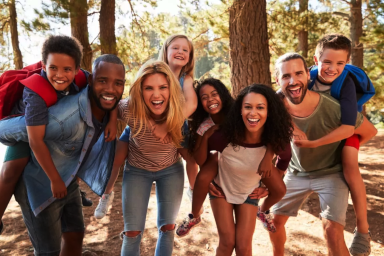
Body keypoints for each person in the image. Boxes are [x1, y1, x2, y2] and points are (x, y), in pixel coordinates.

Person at [0, 54, 125, 255]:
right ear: (92, 81)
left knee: (75, 236)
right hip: (40, 185)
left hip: (68, 182)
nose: (111, 88)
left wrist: (112, 118)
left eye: (118, 83)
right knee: (48, 251)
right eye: (103, 81)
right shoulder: (60, 119)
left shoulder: (95, 94)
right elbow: (15, 131)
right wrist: (33, 131)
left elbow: (111, 94)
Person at [270, 52, 377, 256]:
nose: (293, 81)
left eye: (298, 73)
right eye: (285, 76)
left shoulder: (334, 107)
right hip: (296, 172)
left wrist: (348, 148)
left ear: (309, 75)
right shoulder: (275, 106)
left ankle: (363, 230)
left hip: (331, 172)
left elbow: (370, 131)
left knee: (331, 230)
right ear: (277, 80)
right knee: (274, 222)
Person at [293, 34, 373, 256]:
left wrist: (315, 143)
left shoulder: (345, 83)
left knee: (349, 165)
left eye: (340, 63)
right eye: (327, 62)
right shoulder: (306, 78)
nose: (332, 68)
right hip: (322, 130)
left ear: (346, 64)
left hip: (345, 129)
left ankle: (363, 230)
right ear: (316, 61)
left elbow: (349, 126)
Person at [176, 78, 283, 237]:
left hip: (248, 159)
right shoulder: (205, 125)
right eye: (204, 97)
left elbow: (270, 132)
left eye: (214, 94)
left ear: (223, 95)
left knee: (280, 189)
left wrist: (268, 156)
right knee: (204, 176)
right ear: (200, 103)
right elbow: (199, 159)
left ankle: (263, 210)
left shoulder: (239, 112)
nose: (210, 99)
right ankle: (194, 215)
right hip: (221, 158)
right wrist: (206, 137)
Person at [197, 84, 291, 255]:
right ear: (239, 110)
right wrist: (209, 180)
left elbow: (284, 158)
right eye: (248, 107)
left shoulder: (275, 138)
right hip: (222, 189)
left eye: (260, 107)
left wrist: (267, 183)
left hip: (249, 191)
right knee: (227, 243)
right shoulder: (224, 135)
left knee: (243, 246)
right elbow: (203, 160)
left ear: (269, 112)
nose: (253, 113)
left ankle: (263, 211)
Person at [117, 60, 196, 256]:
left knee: (167, 229)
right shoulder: (129, 108)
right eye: (148, 88)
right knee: (132, 232)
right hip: (136, 170)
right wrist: (110, 123)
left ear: (171, 88)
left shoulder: (179, 110)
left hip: (170, 170)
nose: (156, 94)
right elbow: (106, 106)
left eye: (163, 87)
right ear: (139, 90)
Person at [158, 34, 199, 202]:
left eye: (185, 50)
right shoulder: (157, 73)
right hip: (151, 124)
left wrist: (169, 125)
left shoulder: (185, 79)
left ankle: (193, 189)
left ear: (189, 58)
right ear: (166, 51)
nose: (180, 51)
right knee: (123, 151)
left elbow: (191, 104)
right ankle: (107, 192)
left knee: (191, 159)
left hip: (176, 127)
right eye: (175, 48)